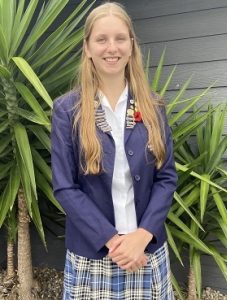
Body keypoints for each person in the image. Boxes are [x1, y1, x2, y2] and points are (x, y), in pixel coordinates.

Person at [51, 2, 177, 298]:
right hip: (93, 255)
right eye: (101, 39)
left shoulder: (153, 106)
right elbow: (65, 187)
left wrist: (142, 235)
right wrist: (114, 242)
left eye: (120, 38)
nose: (112, 48)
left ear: (132, 45)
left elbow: (167, 177)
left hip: (145, 251)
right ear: (87, 47)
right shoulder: (67, 111)